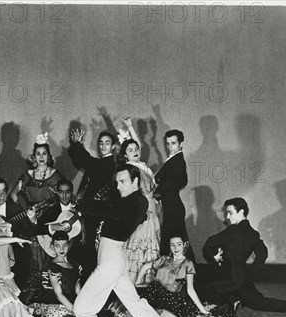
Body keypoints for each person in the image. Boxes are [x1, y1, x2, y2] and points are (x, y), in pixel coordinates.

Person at [73, 163, 190, 317]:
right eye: (117, 181)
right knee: (136, 305)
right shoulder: (126, 200)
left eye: (123, 181)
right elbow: (108, 209)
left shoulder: (138, 201)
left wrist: (83, 203)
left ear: (136, 181)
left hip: (111, 263)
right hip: (114, 259)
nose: (118, 186)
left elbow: (110, 209)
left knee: (81, 308)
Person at [202, 197, 286, 314]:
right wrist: (249, 274)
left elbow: (209, 242)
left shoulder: (233, 230)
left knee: (201, 292)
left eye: (230, 213)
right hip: (241, 280)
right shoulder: (253, 233)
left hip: (227, 279)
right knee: (261, 303)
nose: (227, 217)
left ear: (241, 212)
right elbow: (263, 253)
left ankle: (231, 299)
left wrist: (214, 256)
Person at [131, 236, 240, 317]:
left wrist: (203, 310)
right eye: (172, 245)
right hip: (155, 291)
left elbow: (190, 290)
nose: (175, 247)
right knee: (136, 301)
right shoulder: (164, 259)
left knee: (187, 314)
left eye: (179, 244)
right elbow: (146, 266)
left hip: (173, 295)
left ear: (184, 245)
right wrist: (137, 282)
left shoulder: (188, 263)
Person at [68, 128, 117, 280]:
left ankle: (90, 276)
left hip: (97, 211)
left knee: (90, 244)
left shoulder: (109, 163)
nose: (103, 146)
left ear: (113, 147)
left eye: (107, 143)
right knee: (86, 243)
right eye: (101, 143)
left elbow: (88, 163)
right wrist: (77, 146)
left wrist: (78, 145)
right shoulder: (101, 162)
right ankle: (87, 274)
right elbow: (82, 162)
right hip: (90, 209)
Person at [118, 117, 161, 281]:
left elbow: (137, 144)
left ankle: (147, 281)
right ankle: (137, 281)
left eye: (136, 149)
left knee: (152, 239)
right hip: (143, 210)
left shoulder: (141, 165)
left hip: (152, 207)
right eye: (130, 150)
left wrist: (130, 126)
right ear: (125, 154)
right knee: (141, 241)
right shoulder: (130, 169)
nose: (135, 151)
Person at [154, 129, 194, 260]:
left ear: (181, 144)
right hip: (172, 207)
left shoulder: (177, 161)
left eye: (173, 143)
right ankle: (188, 271)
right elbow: (180, 181)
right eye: (168, 143)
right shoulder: (174, 159)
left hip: (173, 208)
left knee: (173, 242)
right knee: (177, 241)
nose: (170, 147)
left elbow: (177, 182)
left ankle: (187, 270)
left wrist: (156, 194)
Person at [28, 231, 82, 317]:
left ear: (69, 245)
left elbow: (78, 289)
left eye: (64, 245)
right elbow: (58, 294)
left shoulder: (75, 264)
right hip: (55, 302)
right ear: (52, 246)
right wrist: (73, 309)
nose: (61, 249)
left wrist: (83, 305)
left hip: (70, 300)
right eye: (58, 246)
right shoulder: (53, 266)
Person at [10, 132, 65, 208]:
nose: (41, 157)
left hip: (53, 218)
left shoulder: (55, 175)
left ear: (48, 156)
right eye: (38, 154)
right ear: (34, 157)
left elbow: (66, 194)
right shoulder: (28, 175)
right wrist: (22, 211)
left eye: (44, 154)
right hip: (33, 218)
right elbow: (13, 194)